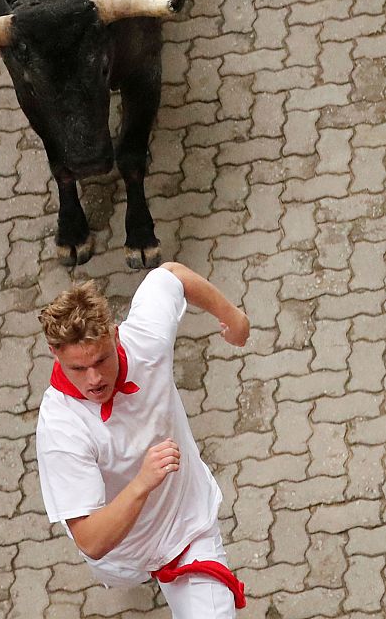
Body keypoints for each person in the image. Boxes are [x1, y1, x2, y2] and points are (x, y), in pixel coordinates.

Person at [36, 262, 250, 618]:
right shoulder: (59, 427)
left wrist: (234, 317)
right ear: (54, 353)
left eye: (101, 360)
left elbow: (172, 276)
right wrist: (142, 483)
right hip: (122, 555)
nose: (94, 380)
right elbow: (91, 540)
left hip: (187, 526)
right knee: (120, 577)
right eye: (77, 368)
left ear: (116, 335)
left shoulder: (146, 341)